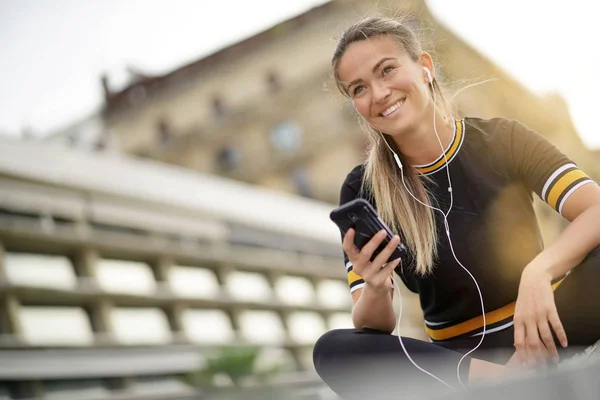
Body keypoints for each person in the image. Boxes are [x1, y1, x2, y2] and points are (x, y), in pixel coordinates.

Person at [312, 16, 600, 399]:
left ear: (425, 67)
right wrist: (377, 288)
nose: (378, 93)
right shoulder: (362, 189)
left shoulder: (503, 138)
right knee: (334, 350)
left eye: (387, 70)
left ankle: (524, 375)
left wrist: (540, 269)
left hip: (547, 328)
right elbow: (372, 326)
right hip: (460, 364)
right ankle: (504, 384)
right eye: (359, 88)